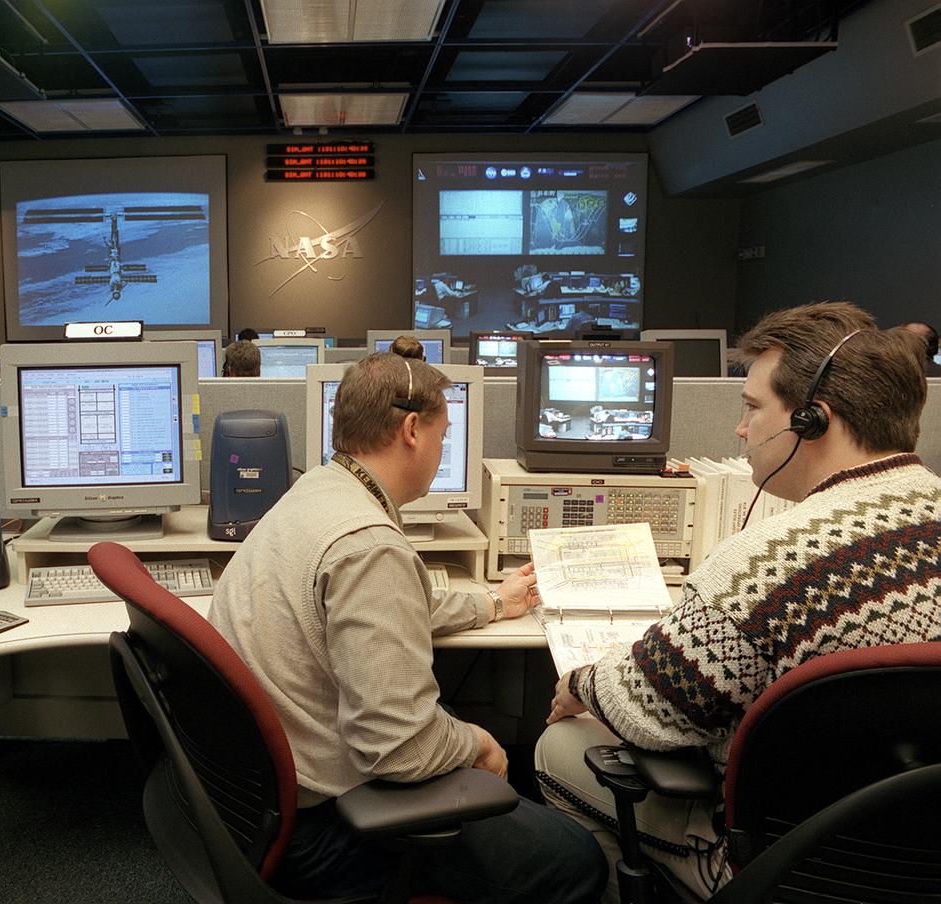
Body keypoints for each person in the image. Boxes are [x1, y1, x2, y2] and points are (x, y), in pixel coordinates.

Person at [535, 301, 941, 901]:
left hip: (781, 864)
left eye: (752, 408)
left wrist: (582, 682)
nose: (740, 429)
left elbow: (650, 707)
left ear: (811, 420)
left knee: (558, 746)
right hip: (923, 859)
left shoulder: (763, 566)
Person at [209, 353, 607, 903]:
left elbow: (385, 609)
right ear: (412, 430)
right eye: (444, 437)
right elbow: (396, 748)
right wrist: (478, 743)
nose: (443, 451)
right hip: (328, 828)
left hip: (260, 797)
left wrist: (493, 603)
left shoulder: (321, 492)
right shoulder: (367, 545)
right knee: (575, 859)